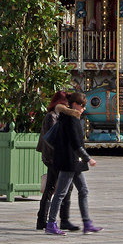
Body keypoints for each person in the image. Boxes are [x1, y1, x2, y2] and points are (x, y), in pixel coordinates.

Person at [45, 91, 103, 235]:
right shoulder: (70, 119)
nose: (84, 108)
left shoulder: (70, 118)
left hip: (74, 161)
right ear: (75, 104)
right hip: (69, 161)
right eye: (82, 105)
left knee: (83, 190)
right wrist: (88, 158)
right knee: (61, 193)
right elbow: (76, 144)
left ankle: (87, 223)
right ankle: (51, 223)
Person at [35, 91, 79, 232]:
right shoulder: (52, 116)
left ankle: (42, 220)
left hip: (54, 157)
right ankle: (62, 219)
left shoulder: (57, 116)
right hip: (54, 157)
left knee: (51, 187)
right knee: (65, 187)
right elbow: (53, 138)